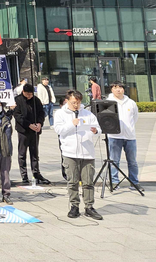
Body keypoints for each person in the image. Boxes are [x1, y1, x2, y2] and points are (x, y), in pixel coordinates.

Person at [54, 90, 103, 220]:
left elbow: (98, 129)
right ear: (67, 101)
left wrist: (95, 130)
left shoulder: (88, 114)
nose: (76, 105)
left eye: (78, 102)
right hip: (70, 152)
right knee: (73, 181)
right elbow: (59, 130)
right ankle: (74, 206)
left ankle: (89, 206)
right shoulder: (60, 114)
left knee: (88, 181)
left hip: (87, 152)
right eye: (73, 102)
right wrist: (72, 124)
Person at [106, 81, 142, 191]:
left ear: (123, 89)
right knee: (114, 161)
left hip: (130, 136)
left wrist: (129, 128)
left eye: (120, 87)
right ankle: (114, 182)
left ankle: (134, 182)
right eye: (115, 87)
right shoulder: (108, 102)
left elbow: (135, 117)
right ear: (112, 89)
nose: (118, 90)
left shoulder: (131, 102)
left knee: (132, 161)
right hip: (114, 136)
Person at [13, 83, 50, 185]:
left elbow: (41, 113)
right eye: (27, 94)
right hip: (23, 131)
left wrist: (39, 123)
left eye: (31, 94)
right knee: (22, 154)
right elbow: (17, 115)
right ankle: (24, 175)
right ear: (23, 92)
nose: (29, 96)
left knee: (34, 154)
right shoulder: (18, 100)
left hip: (35, 131)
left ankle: (36, 173)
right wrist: (28, 124)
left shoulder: (36, 100)